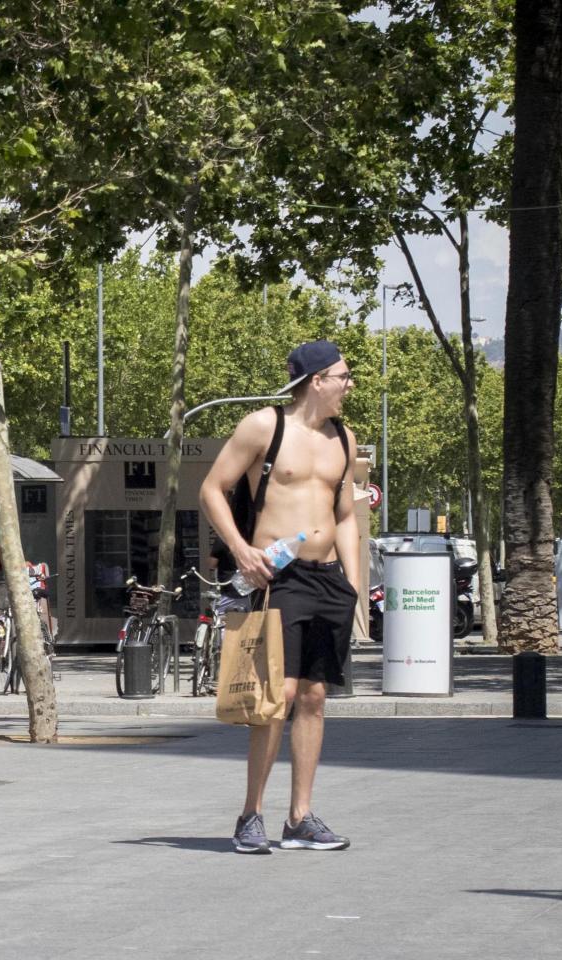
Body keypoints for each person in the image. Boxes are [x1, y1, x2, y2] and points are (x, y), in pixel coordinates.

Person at [200, 339, 359, 855]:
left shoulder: (344, 439)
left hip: (328, 579)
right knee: (278, 697)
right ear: (317, 380)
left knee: (315, 697)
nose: (349, 385)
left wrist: (353, 587)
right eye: (343, 376)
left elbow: (346, 516)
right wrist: (242, 550)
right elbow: (211, 489)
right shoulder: (263, 427)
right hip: (280, 576)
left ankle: (300, 818)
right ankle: (252, 815)